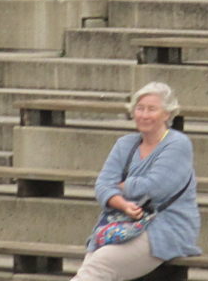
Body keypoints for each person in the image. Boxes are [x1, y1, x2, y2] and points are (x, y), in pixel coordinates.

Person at [72, 82, 201, 281]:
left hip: (166, 226)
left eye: (152, 109)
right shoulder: (125, 144)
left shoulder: (178, 144)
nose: (144, 115)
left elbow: (155, 187)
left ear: (167, 114)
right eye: (139, 109)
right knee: (94, 263)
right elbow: (102, 186)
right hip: (123, 222)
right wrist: (123, 204)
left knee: (98, 266)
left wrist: (123, 186)